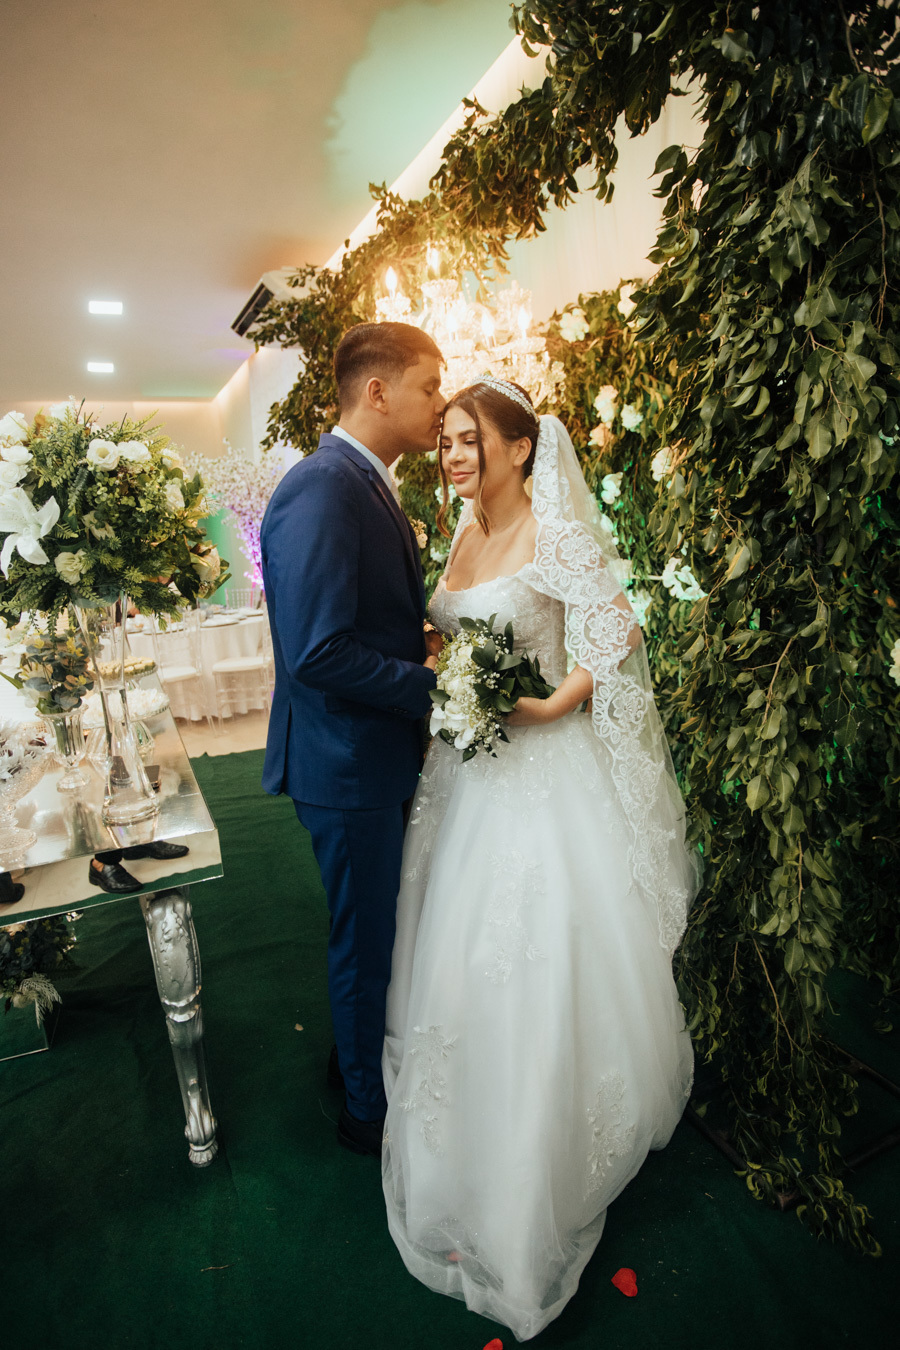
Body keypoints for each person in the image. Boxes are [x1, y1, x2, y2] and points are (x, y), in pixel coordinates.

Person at [382, 377, 700, 1341]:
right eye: (445, 440)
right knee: (457, 952)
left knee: (528, 954)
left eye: (468, 438)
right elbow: (452, 630)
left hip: (544, 776)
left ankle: (537, 1155)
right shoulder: (463, 535)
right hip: (467, 779)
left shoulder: (555, 534)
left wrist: (555, 703)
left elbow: (617, 627)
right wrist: (445, 669)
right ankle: (468, 1127)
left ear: (521, 447)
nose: (452, 455)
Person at [260, 322, 444, 1157]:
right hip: (346, 762)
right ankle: (367, 1112)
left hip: (368, 753)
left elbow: (360, 619)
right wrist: (432, 689)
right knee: (365, 939)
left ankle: (356, 1058)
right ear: (378, 391)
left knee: (377, 928)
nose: (440, 405)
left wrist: (420, 643)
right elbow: (318, 650)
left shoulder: (362, 481)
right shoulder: (325, 486)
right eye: (429, 386)